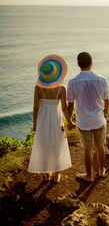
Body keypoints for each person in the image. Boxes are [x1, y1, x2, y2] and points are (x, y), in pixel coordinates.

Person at [28, 54, 75, 183]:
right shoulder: (62, 88)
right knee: (57, 144)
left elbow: (36, 107)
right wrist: (70, 121)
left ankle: (47, 172)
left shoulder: (38, 88)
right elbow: (65, 108)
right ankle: (56, 174)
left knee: (44, 145)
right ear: (57, 74)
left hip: (43, 120)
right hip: (56, 118)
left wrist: (35, 123)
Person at [67, 52, 109, 182]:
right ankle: (101, 170)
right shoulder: (102, 80)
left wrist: (69, 121)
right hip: (98, 119)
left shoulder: (72, 82)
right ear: (91, 63)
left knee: (87, 148)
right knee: (100, 146)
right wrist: (104, 114)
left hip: (83, 121)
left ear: (78, 65)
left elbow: (70, 105)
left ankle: (89, 176)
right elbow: (106, 102)